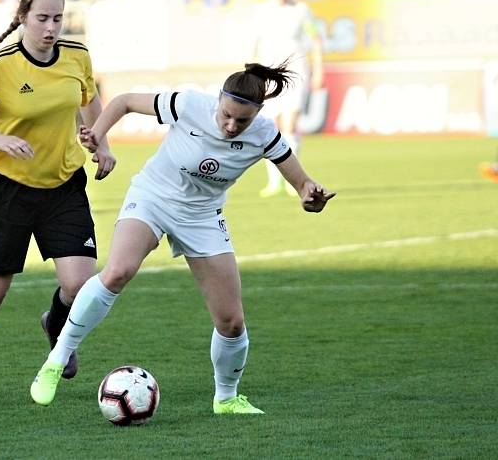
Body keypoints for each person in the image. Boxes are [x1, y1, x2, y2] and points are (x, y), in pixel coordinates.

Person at [29, 62, 335, 415]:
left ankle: (227, 398)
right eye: (227, 115)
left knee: (231, 321)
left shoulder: (265, 134)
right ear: (218, 99)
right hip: (153, 197)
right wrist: (96, 132)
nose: (231, 125)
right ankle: (56, 360)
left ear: (258, 115)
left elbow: (302, 187)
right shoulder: (189, 104)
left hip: (202, 216)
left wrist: (311, 195)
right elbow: (125, 101)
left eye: (242, 121)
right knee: (117, 271)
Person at [0, 0, 116, 410]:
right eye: (42, 19)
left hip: (64, 186)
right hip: (10, 192)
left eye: (58, 18)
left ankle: (55, 323)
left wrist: (100, 143)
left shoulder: (77, 55)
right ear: (22, 18)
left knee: (80, 285)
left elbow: (88, 98)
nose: (52, 28)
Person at [253, 0, 323, 198]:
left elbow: (315, 39)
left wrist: (319, 69)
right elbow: (254, 43)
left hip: (296, 72)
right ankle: (274, 182)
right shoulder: (262, 12)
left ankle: (294, 180)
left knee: (290, 125)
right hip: (269, 73)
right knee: (272, 128)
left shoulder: (301, 10)